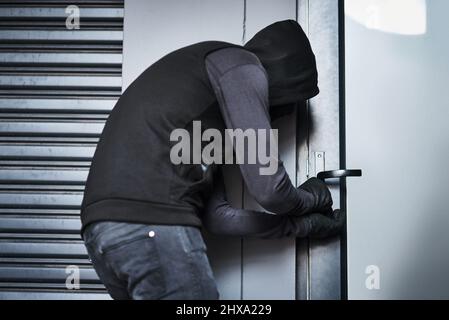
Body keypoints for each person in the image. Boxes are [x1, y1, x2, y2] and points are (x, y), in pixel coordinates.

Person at [80, 20, 344, 300]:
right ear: (285, 80)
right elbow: (271, 191)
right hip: (151, 224)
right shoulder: (242, 67)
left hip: (105, 235)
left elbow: (220, 218)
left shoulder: (201, 120)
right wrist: (311, 197)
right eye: (287, 107)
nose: (278, 117)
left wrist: (305, 226)